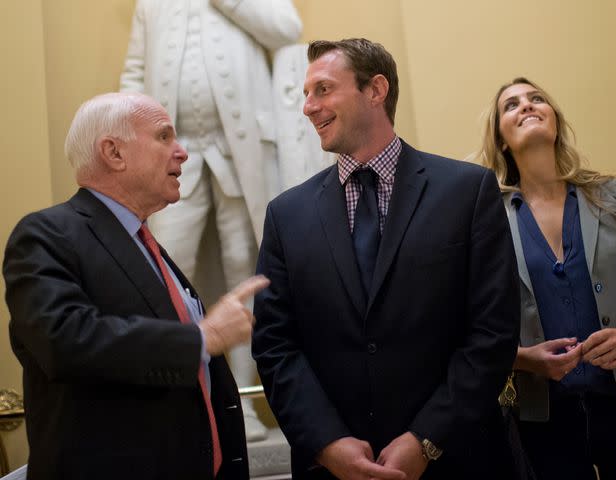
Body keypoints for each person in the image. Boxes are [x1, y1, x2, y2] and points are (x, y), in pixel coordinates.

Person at [252, 38, 521, 480]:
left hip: (457, 459)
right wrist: (327, 443)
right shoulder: (286, 215)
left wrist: (426, 439)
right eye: (305, 94)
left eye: (322, 89)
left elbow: (493, 332)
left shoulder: (467, 192)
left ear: (375, 90)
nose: (308, 107)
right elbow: (275, 346)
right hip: (334, 468)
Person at [3, 92, 269, 480]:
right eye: (164, 137)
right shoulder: (46, 235)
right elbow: (63, 339)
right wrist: (202, 338)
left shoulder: (145, 243)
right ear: (114, 153)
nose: (182, 152)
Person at [119, 0, 301, 440]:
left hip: (243, 153)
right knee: (164, 264)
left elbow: (287, 30)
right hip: (177, 156)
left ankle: (244, 399)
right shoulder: (151, 6)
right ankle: (176, 397)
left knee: (245, 266)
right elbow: (135, 72)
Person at [478, 77, 616, 480]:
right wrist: (521, 359)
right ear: (500, 138)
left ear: (554, 119)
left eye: (537, 99)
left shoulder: (615, 196)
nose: (528, 106)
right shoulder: (486, 218)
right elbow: (463, 322)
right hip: (542, 417)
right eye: (511, 105)